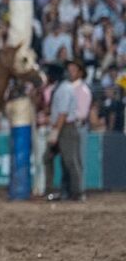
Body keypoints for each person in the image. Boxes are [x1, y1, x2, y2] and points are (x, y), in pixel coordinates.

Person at [44, 62, 82, 201]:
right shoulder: (59, 87)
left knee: (70, 161)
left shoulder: (65, 89)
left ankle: (76, 193)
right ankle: (50, 190)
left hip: (66, 128)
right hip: (60, 127)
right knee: (47, 157)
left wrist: (55, 133)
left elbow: (63, 114)